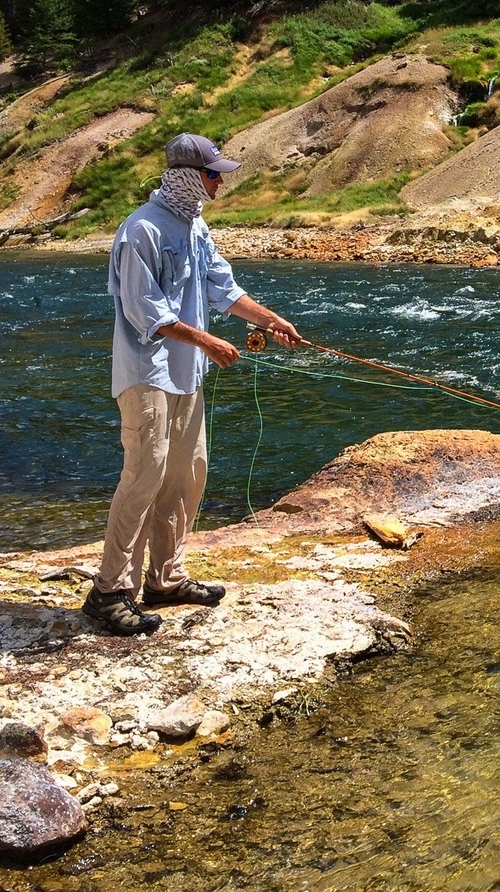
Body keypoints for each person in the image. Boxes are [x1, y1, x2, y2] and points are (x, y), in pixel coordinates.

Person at [83, 133, 305, 636]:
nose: (220, 181)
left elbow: (223, 288)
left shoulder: (196, 226)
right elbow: (146, 311)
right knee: (144, 475)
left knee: (187, 475)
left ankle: (164, 578)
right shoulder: (141, 229)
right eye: (213, 173)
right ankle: (110, 592)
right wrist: (206, 341)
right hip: (146, 374)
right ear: (187, 175)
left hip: (186, 374)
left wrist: (271, 320)